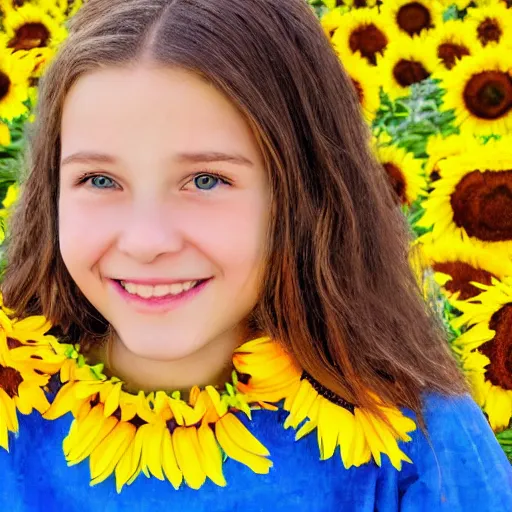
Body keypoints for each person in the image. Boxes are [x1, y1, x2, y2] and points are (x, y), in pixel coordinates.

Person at [0, 0, 510, 510]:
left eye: (205, 180)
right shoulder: (13, 416)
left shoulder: (417, 442)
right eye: (99, 179)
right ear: (52, 192)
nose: (145, 240)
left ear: (304, 194)